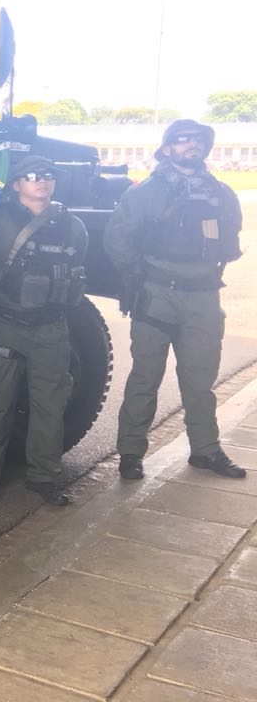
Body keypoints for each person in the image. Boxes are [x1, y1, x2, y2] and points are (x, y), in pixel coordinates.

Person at [106, 119, 245, 481]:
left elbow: (230, 238)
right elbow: (116, 240)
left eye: (197, 139)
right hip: (157, 295)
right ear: (167, 149)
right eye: (181, 139)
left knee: (200, 380)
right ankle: (131, 452)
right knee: (145, 377)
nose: (190, 144)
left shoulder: (220, 193)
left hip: (204, 296)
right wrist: (142, 275)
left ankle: (205, 449)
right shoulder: (144, 193)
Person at [0, 155, 88, 506]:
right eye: (33, 176)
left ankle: (44, 476)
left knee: (50, 404)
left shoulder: (73, 226)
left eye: (48, 175)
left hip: (52, 328)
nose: (42, 181)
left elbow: (77, 267)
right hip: (7, 324)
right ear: (16, 184)